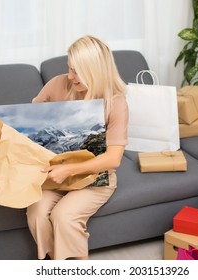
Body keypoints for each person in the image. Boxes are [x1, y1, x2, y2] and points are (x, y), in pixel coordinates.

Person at [26, 35, 128, 260]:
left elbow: (113, 159)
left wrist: (69, 170)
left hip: (94, 178)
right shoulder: (57, 84)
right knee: (36, 211)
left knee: (65, 216)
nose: (70, 76)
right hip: (53, 176)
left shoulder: (116, 102)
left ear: (95, 70)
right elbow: (27, 125)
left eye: (76, 71)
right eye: (69, 68)